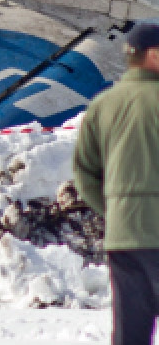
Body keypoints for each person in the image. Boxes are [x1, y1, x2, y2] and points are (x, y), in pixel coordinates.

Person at [74, 21, 159, 345]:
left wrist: (116, 210)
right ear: (153, 55)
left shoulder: (102, 105)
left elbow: (84, 171)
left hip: (123, 238)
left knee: (130, 333)